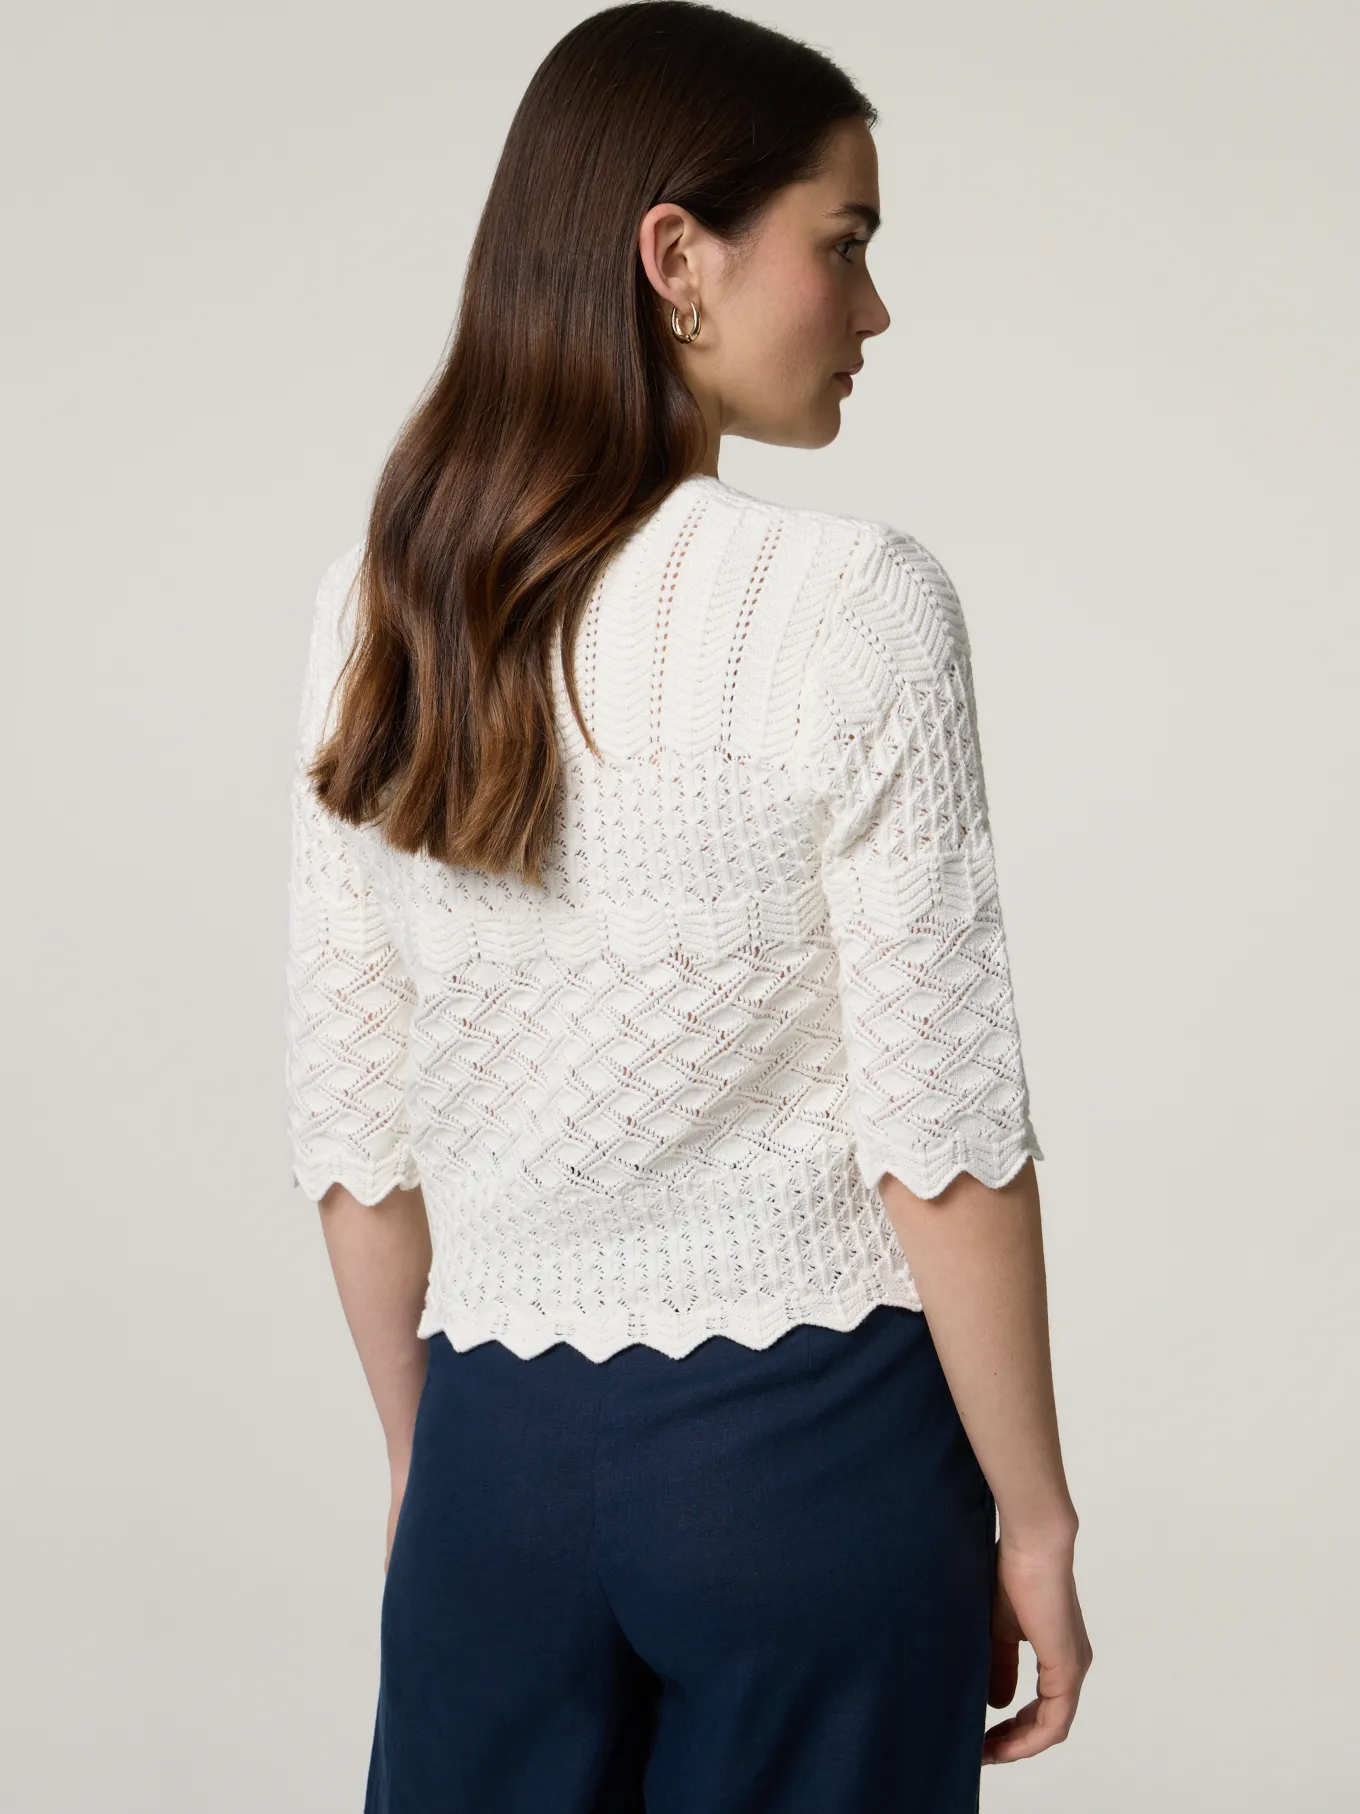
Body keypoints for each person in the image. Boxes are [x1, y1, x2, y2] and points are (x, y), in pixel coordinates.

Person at [283, 4, 1093, 1809]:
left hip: (492, 1451)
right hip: (809, 1459)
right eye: (845, 243)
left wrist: (437, 1468)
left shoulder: (377, 605)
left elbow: (351, 1126)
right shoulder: (857, 600)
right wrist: (1033, 1516)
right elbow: (944, 1136)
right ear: (677, 258)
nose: (874, 310)